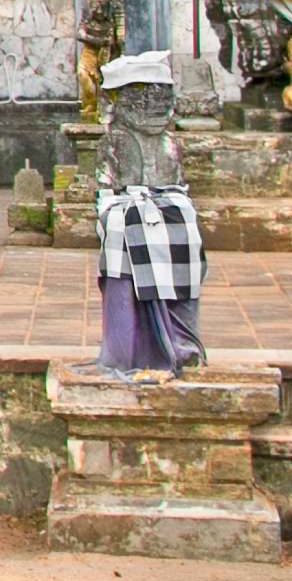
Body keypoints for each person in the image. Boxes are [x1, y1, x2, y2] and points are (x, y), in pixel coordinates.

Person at [89, 50, 206, 376]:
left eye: (161, 95)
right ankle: (130, 348)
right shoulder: (114, 143)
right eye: (141, 95)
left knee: (185, 235)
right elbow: (108, 191)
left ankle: (180, 344)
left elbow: (176, 184)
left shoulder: (170, 144)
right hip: (125, 212)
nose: (153, 103)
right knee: (123, 240)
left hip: (167, 208)